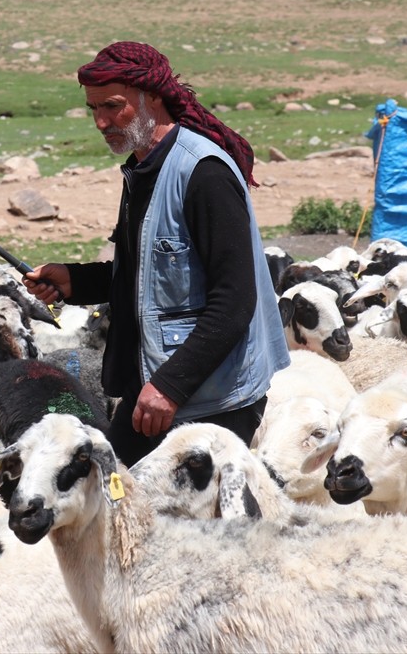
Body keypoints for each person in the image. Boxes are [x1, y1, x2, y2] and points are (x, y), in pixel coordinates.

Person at [24, 42, 289, 466]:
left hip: (212, 398)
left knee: (192, 527)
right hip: (157, 384)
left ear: (153, 98)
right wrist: (76, 281)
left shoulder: (204, 174)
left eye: (112, 106)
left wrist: (170, 386)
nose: (100, 121)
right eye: (93, 109)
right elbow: (150, 273)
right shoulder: (145, 167)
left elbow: (235, 301)